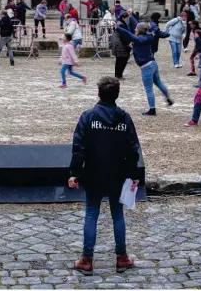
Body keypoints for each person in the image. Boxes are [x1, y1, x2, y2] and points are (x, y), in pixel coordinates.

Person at [68, 76, 140, 276]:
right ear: (116, 94)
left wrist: (74, 173)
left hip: (93, 174)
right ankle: (122, 257)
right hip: (118, 175)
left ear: (98, 94)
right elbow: (134, 149)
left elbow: (78, 148)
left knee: (92, 214)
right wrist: (134, 174)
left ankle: (87, 259)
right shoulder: (124, 118)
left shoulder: (88, 116)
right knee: (118, 214)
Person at [116, 23, 174, 116]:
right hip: (153, 64)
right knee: (159, 82)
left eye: (136, 28)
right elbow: (137, 42)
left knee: (149, 89)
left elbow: (130, 35)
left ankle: (152, 110)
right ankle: (168, 98)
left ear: (139, 30)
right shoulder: (148, 36)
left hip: (146, 67)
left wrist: (117, 28)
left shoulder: (140, 39)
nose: (135, 29)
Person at [112, 11, 132, 80]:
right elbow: (123, 36)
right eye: (127, 18)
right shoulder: (121, 25)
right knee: (122, 60)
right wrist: (128, 45)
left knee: (119, 60)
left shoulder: (120, 23)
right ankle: (118, 75)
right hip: (120, 46)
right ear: (123, 18)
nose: (128, 19)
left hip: (118, 45)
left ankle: (118, 75)